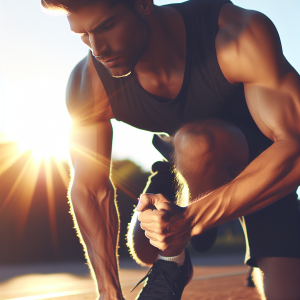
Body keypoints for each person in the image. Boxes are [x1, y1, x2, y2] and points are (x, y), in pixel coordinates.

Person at [41, 0, 300, 299]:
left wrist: (190, 220)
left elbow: (294, 146)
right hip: (182, 168)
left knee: (197, 142)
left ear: (143, 4)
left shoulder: (236, 35)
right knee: (144, 245)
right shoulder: (88, 83)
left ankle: (202, 226)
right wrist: (108, 292)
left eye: (107, 26)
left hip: (267, 168)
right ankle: (182, 250)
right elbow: (89, 190)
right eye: (83, 35)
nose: (98, 49)